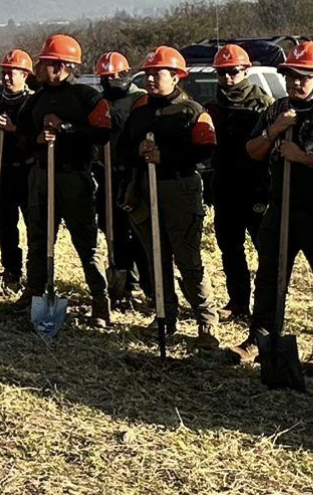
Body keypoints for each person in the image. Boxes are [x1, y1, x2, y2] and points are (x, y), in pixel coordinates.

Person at [119, 46, 220, 349]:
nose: (150, 79)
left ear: (176, 77)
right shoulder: (139, 111)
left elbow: (205, 149)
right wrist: (137, 153)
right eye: (147, 74)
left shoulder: (192, 111)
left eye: (157, 74)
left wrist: (166, 156)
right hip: (145, 189)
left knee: (188, 259)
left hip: (180, 189)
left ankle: (206, 321)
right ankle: (165, 316)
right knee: (156, 257)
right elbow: (122, 148)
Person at [15, 35, 112, 328]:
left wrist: (66, 129)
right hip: (41, 175)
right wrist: (35, 139)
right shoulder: (35, 100)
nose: (38, 68)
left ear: (59, 66)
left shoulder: (86, 97)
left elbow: (103, 131)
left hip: (74, 177)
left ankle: (100, 300)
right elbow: (20, 137)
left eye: (43, 63)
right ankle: (34, 292)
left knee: (87, 242)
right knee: (38, 238)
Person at [231, 41, 313, 364]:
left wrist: (304, 158)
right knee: (268, 277)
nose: (296, 82)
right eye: (290, 76)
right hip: (280, 208)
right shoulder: (276, 109)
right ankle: (260, 340)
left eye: (304, 77)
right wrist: (274, 132)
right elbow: (252, 150)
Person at [206, 43, 273, 321]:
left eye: (233, 71)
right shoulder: (212, 105)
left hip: (256, 189)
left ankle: (266, 308)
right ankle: (237, 302)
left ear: (247, 70)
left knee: (265, 251)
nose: (227, 78)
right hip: (225, 188)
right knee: (229, 248)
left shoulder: (264, 105)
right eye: (221, 73)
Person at [94, 52, 149, 308]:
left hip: (134, 175)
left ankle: (143, 285)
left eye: (118, 75)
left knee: (137, 230)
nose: (114, 80)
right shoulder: (99, 101)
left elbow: (145, 132)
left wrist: (122, 124)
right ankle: (122, 280)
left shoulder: (140, 100)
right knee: (112, 228)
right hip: (106, 172)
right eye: (108, 77)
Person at [0, 49, 35, 289]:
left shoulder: (33, 102)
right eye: (4, 73)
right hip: (2, 171)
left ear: (25, 75)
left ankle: (36, 275)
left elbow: (36, 141)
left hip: (26, 172)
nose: (6, 78)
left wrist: (14, 129)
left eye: (12, 73)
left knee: (33, 224)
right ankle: (11, 270)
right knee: (4, 225)